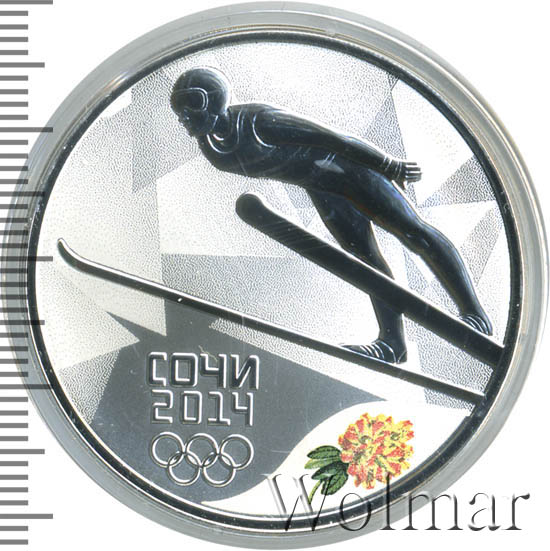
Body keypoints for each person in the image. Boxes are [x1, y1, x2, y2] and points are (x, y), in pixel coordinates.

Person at [170, 67, 492, 364]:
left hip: (352, 171)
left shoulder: (259, 121)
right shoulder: (214, 151)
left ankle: (475, 314)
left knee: (413, 232)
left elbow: (332, 138)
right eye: (178, 107)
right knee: (364, 261)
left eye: (193, 103)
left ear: (215, 99)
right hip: (321, 187)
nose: (185, 116)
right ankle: (393, 344)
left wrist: (387, 165)